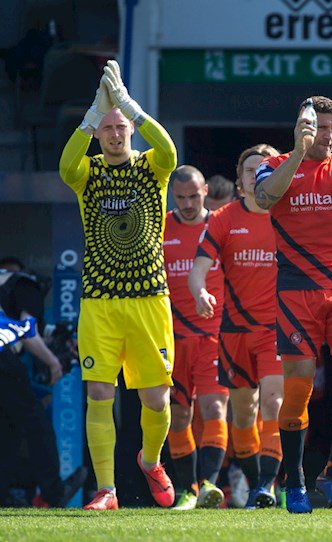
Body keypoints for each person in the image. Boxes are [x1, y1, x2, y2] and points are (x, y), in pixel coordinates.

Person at [60, 60, 177, 510]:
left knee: (156, 398)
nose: (113, 134)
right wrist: (92, 115)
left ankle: (150, 461)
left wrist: (131, 105)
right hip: (101, 302)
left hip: (150, 300)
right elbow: (65, 168)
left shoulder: (151, 168)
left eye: (120, 126)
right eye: (106, 128)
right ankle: (106, 490)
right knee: (98, 393)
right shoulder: (89, 173)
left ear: (131, 130)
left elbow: (169, 152)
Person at [254, 95, 332, 513]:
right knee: (299, 387)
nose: (325, 136)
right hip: (296, 292)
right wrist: (298, 152)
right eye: (318, 128)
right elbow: (264, 199)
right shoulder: (276, 165)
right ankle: (295, 481)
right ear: (302, 127)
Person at [192, 144, 283, 510]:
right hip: (234, 331)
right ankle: (251, 480)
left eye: (265, 167)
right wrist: (199, 291)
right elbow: (199, 267)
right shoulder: (224, 218)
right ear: (240, 180)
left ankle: (267, 486)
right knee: (244, 412)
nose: (257, 173)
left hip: (279, 329)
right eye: (250, 169)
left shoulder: (289, 215)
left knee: (275, 403)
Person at [163, 166, 229, 511]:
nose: (187, 203)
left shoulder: (220, 225)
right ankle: (186, 490)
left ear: (206, 190)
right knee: (178, 415)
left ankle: (209, 485)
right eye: (180, 197)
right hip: (172, 337)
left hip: (215, 335)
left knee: (215, 407)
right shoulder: (161, 227)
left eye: (194, 195)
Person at [0, 268, 86, 508]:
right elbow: (28, 333)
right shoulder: (27, 286)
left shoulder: (6, 289)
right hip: (2, 360)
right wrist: (54, 363)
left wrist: (60, 335)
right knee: (36, 423)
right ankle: (54, 492)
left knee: (8, 430)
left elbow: (27, 329)